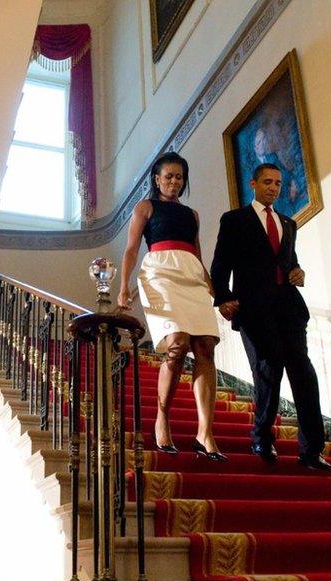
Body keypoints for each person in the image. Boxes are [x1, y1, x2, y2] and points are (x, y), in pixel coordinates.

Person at [209, 163, 330, 470]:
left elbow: (290, 262)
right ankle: (262, 437)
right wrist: (223, 298)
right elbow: (221, 262)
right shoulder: (235, 220)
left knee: (304, 373)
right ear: (253, 184)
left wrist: (297, 271)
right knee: (268, 369)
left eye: (277, 183)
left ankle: (312, 449)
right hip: (253, 309)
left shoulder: (288, 223)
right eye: (267, 182)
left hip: (288, 308)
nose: (273, 187)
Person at [117, 152, 226, 462]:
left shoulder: (192, 214)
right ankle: (161, 418)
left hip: (191, 275)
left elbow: (198, 255)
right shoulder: (145, 207)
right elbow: (130, 249)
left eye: (179, 177)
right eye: (169, 176)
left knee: (205, 346)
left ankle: (205, 432)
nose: (174, 181)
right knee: (177, 344)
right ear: (157, 179)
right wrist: (124, 286)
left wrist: (214, 289)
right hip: (159, 274)